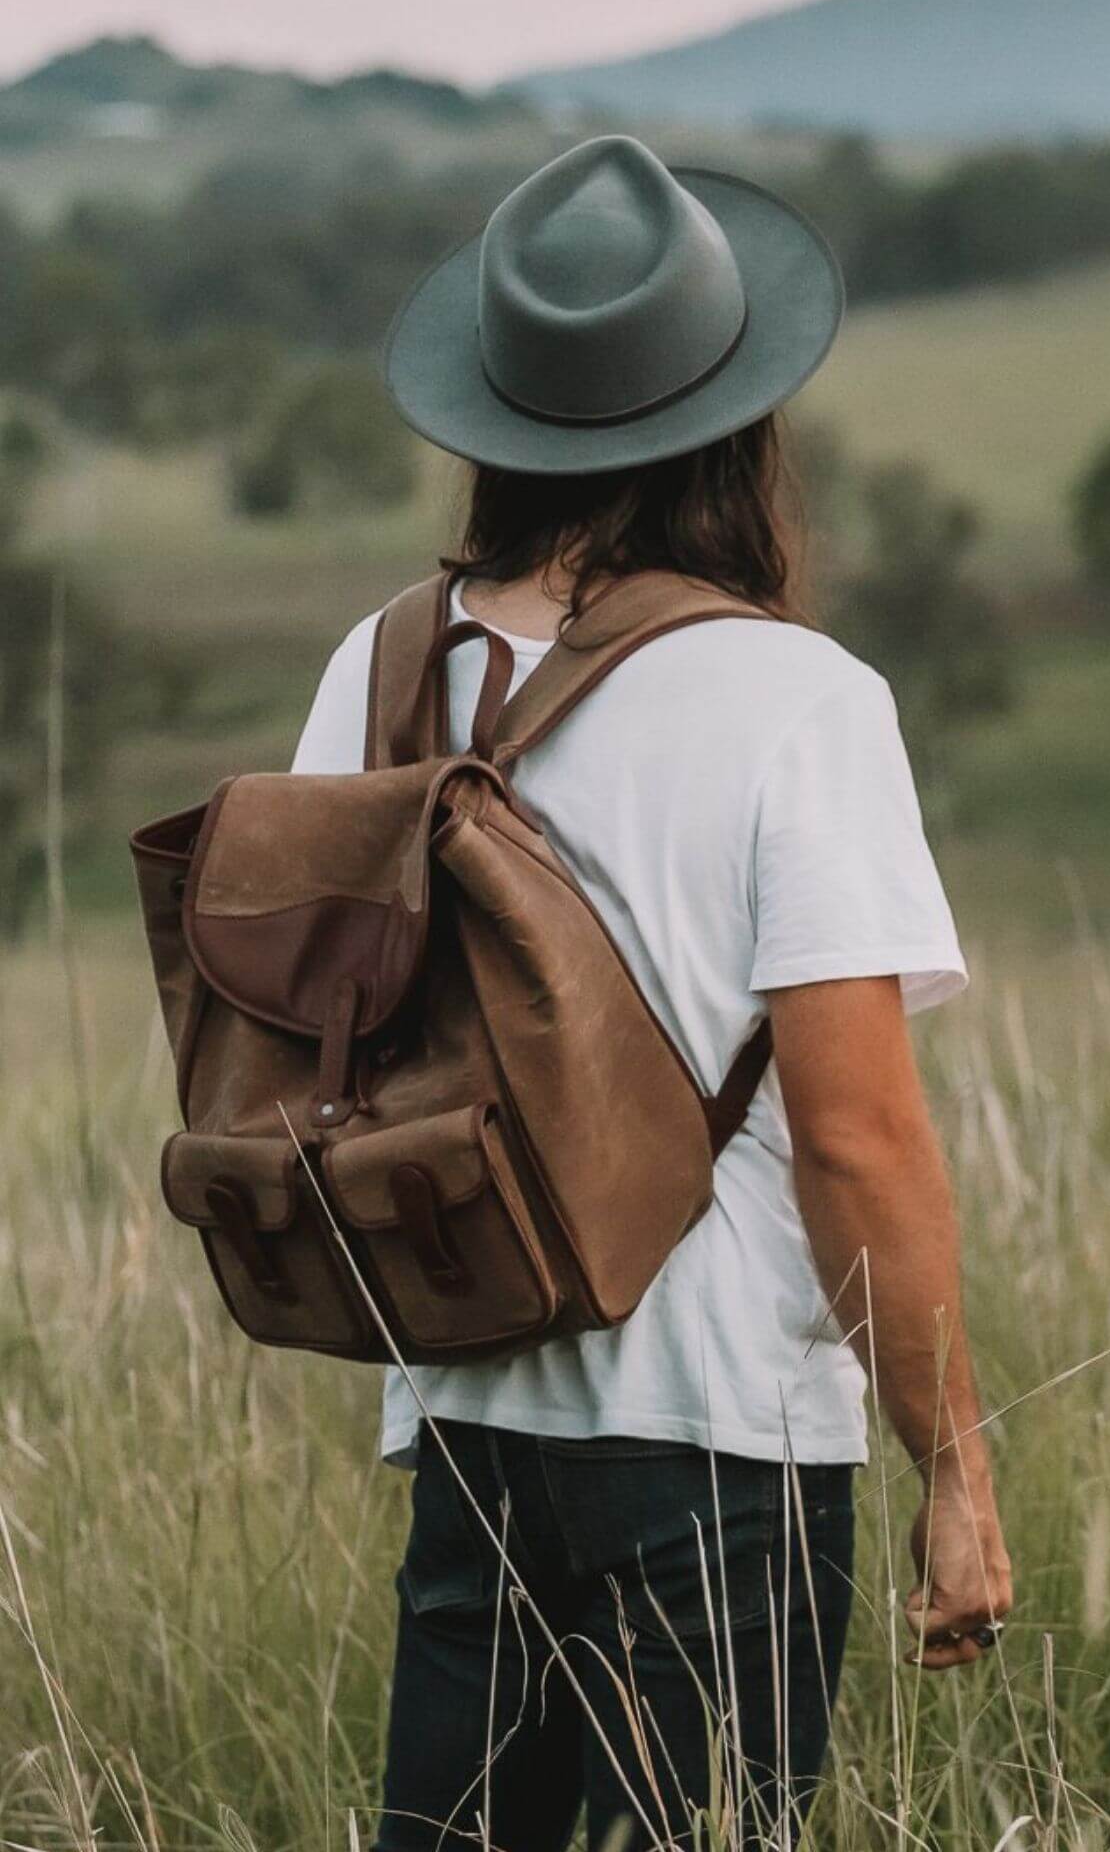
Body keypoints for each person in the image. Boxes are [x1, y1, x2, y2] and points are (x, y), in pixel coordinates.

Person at [291, 135, 1012, 1852]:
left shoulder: (386, 661)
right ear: (737, 418)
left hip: (468, 1403)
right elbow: (855, 1138)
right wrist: (954, 1468)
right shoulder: (794, 699)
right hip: (720, 1432)